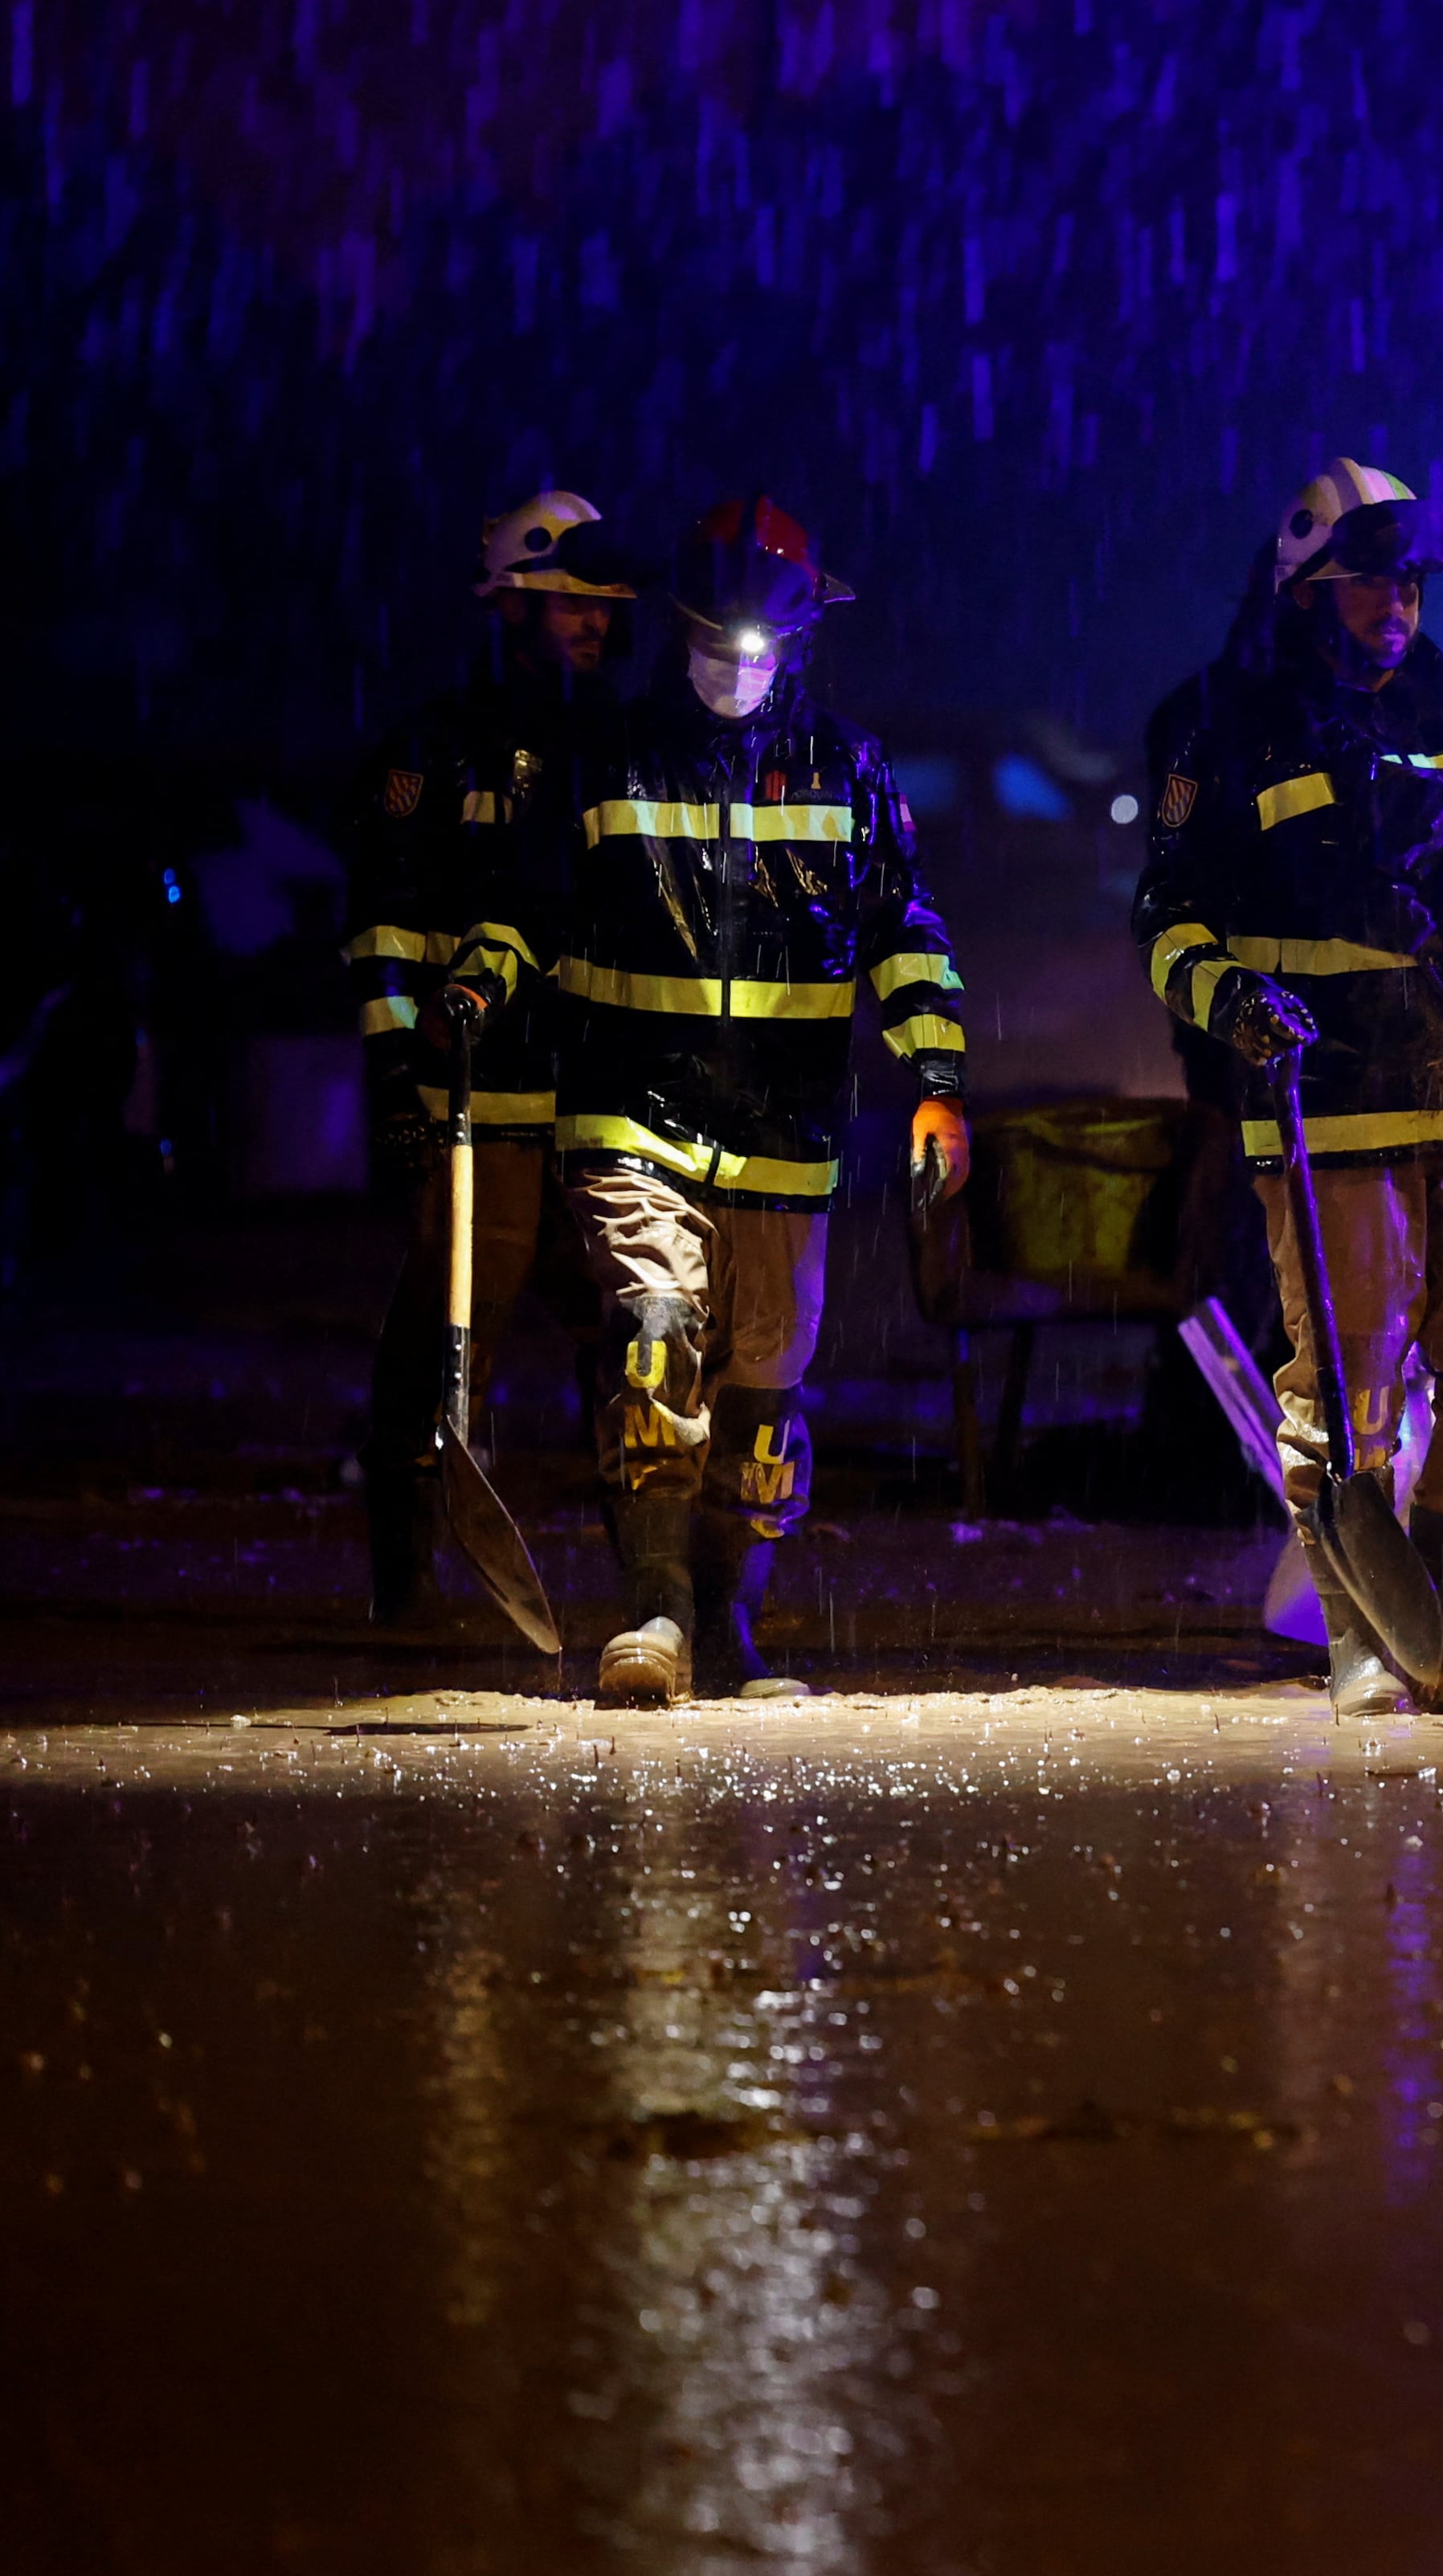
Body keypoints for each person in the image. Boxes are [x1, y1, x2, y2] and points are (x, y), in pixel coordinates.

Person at [448, 497, 969, 1706]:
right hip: (632, 1118)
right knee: (652, 1344)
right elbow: (534, 902)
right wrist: (481, 979)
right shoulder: (603, 756)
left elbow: (905, 935)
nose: (738, 670)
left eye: (761, 648)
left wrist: (940, 1082)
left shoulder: (849, 767)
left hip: (789, 1141)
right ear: (677, 630)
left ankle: (731, 1614)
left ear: (798, 640)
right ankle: (656, 1610)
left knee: (764, 1407)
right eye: (716, 643)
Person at [1134, 460, 1443, 1714]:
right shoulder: (1224, 726)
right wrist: (1230, 1002)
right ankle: (1360, 1638)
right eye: (1367, 585)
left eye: (1407, 583)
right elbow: (1167, 922)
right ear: (1306, 589)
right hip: (1334, 1109)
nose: (1394, 608)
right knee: (1348, 1394)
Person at [343, 492, 632, 1623]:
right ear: (508, 601)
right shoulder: (427, 749)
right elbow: (382, 930)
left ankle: (647, 1573)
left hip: (601, 1104)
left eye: (604, 604)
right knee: (448, 1330)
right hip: (479, 1098)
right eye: (569, 601)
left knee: (626, 1331)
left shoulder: (621, 744)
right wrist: (394, 1083)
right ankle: (404, 1582)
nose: (593, 623)